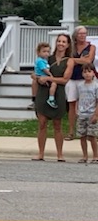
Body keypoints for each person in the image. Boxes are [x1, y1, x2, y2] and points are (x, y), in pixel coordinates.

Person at [33, 33, 74, 162]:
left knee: (57, 124)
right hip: (43, 91)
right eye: (59, 41)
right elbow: (36, 72)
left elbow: (65, 79)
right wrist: (36, 78)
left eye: (64, 42)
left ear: (68, 45)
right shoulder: (47, 58)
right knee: (42, 123)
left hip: (59, 92)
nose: (61, 44)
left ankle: (60, 154)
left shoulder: (69, 60)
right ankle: (40, 153)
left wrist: (49, 78)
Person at [65, 26, 96, 140]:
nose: (83, 35)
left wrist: (73, 60)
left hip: (85, 79)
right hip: (72, 78)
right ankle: (71, 131)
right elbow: (66, 60)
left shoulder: (91, 47)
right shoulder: (71, 47)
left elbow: (88, 61)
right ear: (76, 35)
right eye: (80, 33)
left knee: (89, 104)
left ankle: (90, 131)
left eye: (84, 33)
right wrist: (77, 60)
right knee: (72, 104)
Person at [76, 63, 98, 163]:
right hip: (82, 114)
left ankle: (95, 156)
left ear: (93, 73)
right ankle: (85, 156)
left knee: (92, 136)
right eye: (85, 72)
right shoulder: (80, 86)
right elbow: (78, 98)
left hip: (92, 114)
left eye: (89, 71)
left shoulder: (96, 86)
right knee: (82, 136)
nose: (87, 74)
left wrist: (96, 114)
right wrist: (77, 109)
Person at [30, 42, 57, 109]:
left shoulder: (45, 60)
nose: (46, 53)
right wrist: (51, 75)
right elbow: (44, 70)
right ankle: (51, 99)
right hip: (41, 76)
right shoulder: (40, 61)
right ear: (38, 52)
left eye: (48, 51)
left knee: (54, 84)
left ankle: (50, 98)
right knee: (54, 83)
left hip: (44, 77)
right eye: (44, 51)